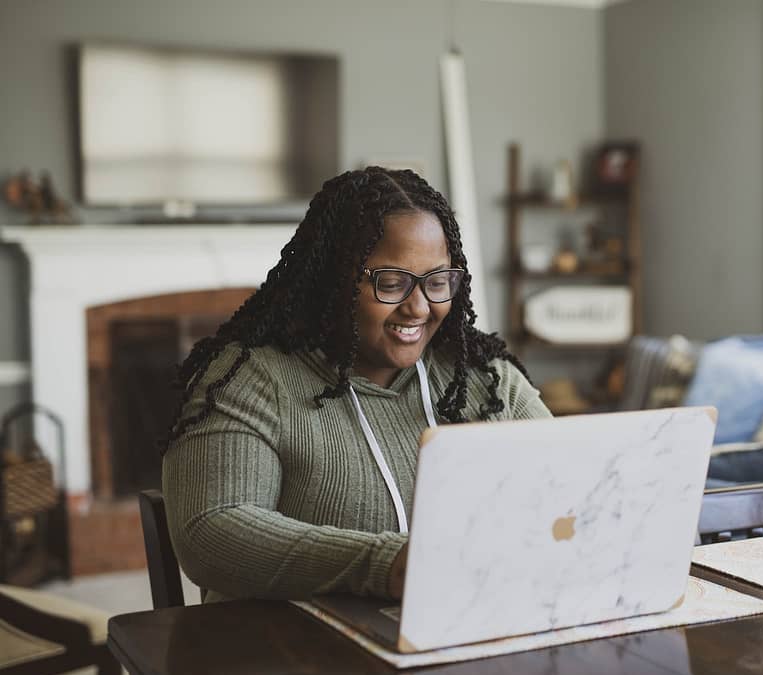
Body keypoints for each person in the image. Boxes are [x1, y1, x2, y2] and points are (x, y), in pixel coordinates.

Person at [161, 167, 551, 603]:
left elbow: (570, 491)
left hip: (454, 638)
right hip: (287, 653)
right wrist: (386, 566)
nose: (418, 307)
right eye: (392, 282)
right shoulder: (251, 377)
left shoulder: (485, 378)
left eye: (437, 281)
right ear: (335, 281)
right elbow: (212, 529)